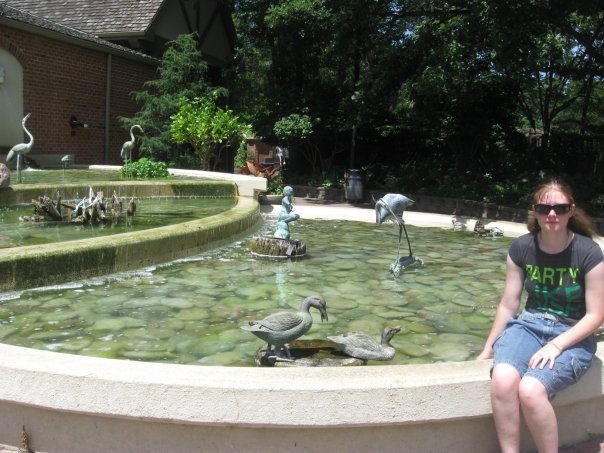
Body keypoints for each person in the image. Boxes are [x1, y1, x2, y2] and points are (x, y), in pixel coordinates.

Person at [477, 179, 604, 453]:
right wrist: (488, 347)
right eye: (544, 208)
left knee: (531, 390)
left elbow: (596, 316)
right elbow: (509, 304)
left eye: (560, 208)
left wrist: (556, 345)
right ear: (535, 211)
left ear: (571, 210)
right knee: (503, 380)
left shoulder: (589, 253)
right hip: (528, 327)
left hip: (571, 335)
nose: (552, 214)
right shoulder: (521, 248)